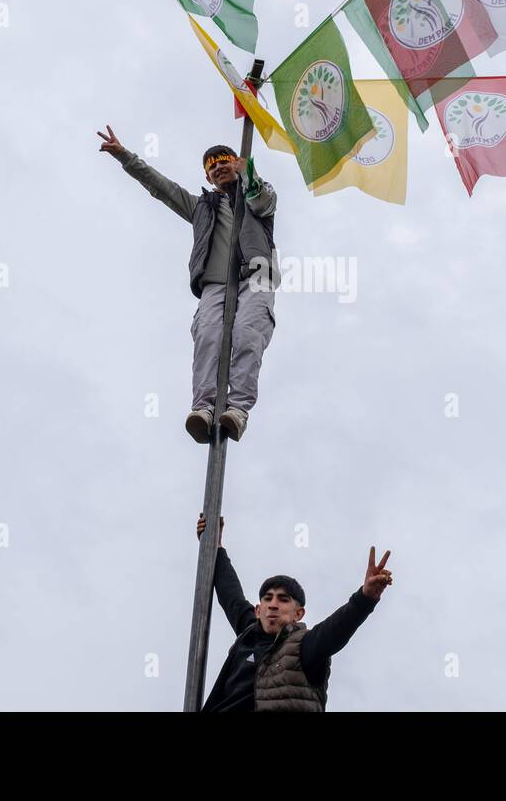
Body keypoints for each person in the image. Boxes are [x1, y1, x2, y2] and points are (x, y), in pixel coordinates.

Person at [97, 125, 279, 444]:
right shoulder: (201, 208)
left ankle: (237, 409)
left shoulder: (257, 195)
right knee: (208, 336)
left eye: (225, 161)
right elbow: (161, 187)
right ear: (208, 177)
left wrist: (248, 171)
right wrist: (124, 156)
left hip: (256, 277)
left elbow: (262, 200)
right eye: (212, 166)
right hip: (215, 284)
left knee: (248, 336)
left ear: (235, 163)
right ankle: (204, 407)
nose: (219, 166)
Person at [195, 513, 393, 712]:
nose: (273, 605)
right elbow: (231, 594)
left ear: (298, 614)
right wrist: (216, 546)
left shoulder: (304, 646)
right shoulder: (249, 633)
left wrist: (366, 597)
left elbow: (337, 628)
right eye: (268, 598)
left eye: (283, 600)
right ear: (258, 610)